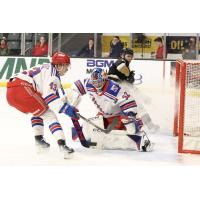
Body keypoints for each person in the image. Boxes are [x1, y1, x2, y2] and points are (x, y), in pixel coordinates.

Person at [6, 52, 79, 159]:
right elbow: (49, 97)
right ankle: (63, 146)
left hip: (11, 92)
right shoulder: (53, 75)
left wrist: (63, 103)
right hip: (22, 88)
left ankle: (39, 142)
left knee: (39, 110)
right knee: (50, 115)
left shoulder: (47, 69)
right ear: (59, 65)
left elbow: (48, 96)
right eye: (66, 66)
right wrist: (66, 108)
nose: (67, 69)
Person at [71, 68, 153, 151]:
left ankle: (137, 134)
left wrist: (130, 117)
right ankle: (82, 132)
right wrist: (73, 104)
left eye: (98, 82)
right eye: (94, 82)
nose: (96, 85)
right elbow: (75, 88)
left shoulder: (114, 89)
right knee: (90, 127)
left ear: (104, 79)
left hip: (118, 117)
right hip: (104, 115)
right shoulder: (88, 83)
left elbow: (129, 101)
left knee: (131, 128)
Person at [108, 48, 159, 133]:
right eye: (128, 56)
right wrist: (128, 74)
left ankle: (148, 125)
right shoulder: (121, 61)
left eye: (131, 57)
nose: (130, 58)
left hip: (118, 92)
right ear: (123, 55)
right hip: (114, 93)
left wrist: (143, 96)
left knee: (138, 106)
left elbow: (129, 86)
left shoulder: (125, 64)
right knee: (138, 106)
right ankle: (149, 126)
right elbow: (121, 67)